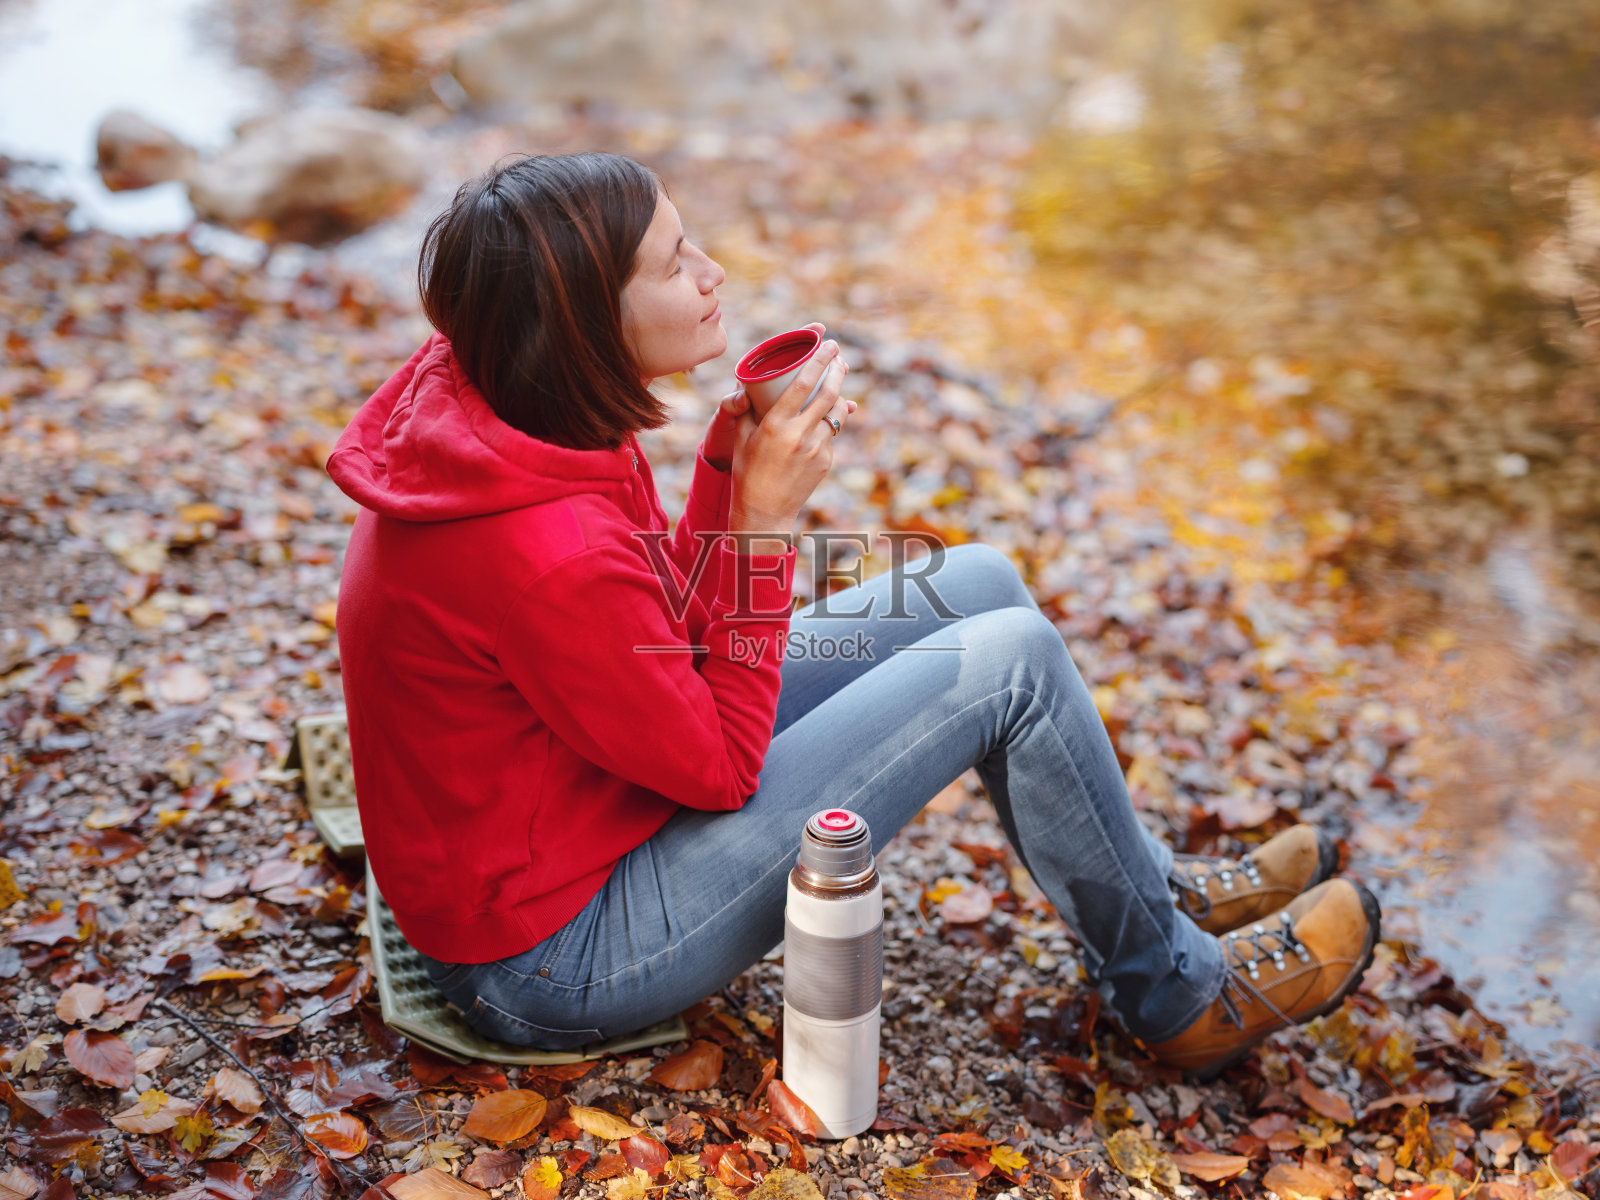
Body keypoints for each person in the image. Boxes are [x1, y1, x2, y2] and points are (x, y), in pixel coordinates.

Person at [326, 152, 1380, 1081]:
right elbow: (720, 761)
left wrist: (730, 468)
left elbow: (661, 631)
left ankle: (1152, 900)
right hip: (552, 954)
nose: (712, 273)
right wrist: (768, 524)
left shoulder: (513, 409)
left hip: (575, 809)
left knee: (973, 582)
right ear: (582, 324)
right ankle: (1180, 998)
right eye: (674, 261)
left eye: (693, 242)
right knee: (1003, 662)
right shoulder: (540, 548)